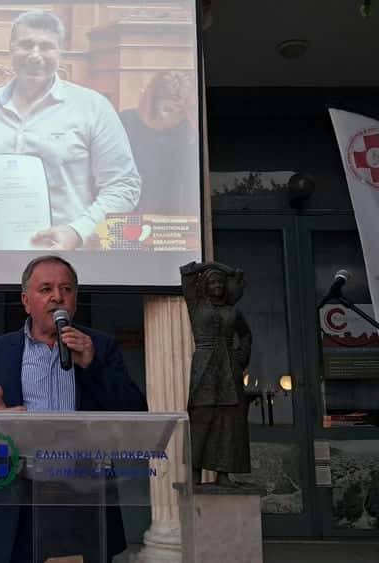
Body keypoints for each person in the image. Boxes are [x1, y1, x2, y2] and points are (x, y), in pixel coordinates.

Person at [0, 255, 147, 563]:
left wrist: (93, 366)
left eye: (66, 289)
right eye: (46, 289)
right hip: (19, 494)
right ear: (26, 301)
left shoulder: (99, 347)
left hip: (86, 494)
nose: (57, 297)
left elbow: (135, 412)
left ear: (75, 300)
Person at [0, 11, 141, 251]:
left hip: (63, 256)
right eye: (26, 45)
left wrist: (79, 231)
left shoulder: (93, 108)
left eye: (46, 46)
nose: (35, 55)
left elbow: (123, 185)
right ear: (10, 49)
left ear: (60, 51)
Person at [179, 261, 252, 486]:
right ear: (205, 286)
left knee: (228, 420)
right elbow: (187, 272)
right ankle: (195, 472)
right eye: (212, 282)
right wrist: (223, 268)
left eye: (220, 282)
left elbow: (246, 335)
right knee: (201, 416)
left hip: (229, 368)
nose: (217, 285)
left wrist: (240, 358)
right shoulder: (196, 305)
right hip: (205, 365)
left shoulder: (233, 311)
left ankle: (223, 473)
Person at [119, 69, 200, 216]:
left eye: (180, 111)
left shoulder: (189, 132)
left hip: (174, 216)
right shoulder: (122, 122)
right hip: (129, 211)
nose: (169, 116)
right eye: (168, 109)